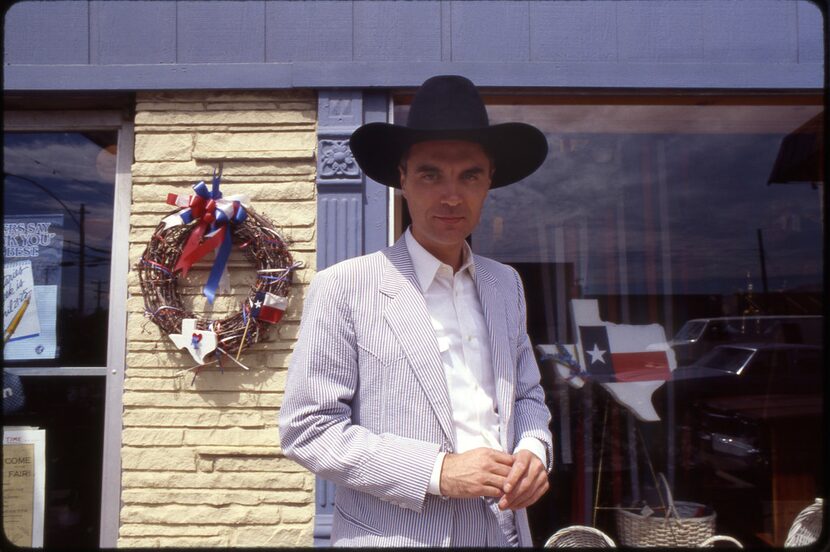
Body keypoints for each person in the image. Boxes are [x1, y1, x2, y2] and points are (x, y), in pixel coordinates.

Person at [279, 75, 553, 547]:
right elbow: (308, 429)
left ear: (490, 181)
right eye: (430, 174)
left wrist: (533, 450)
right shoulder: (346, 286)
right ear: (402, 179)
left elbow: (527, 396)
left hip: (503, 533)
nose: (451, 195)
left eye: (469, 175)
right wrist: (436, 471)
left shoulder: (504, 283)